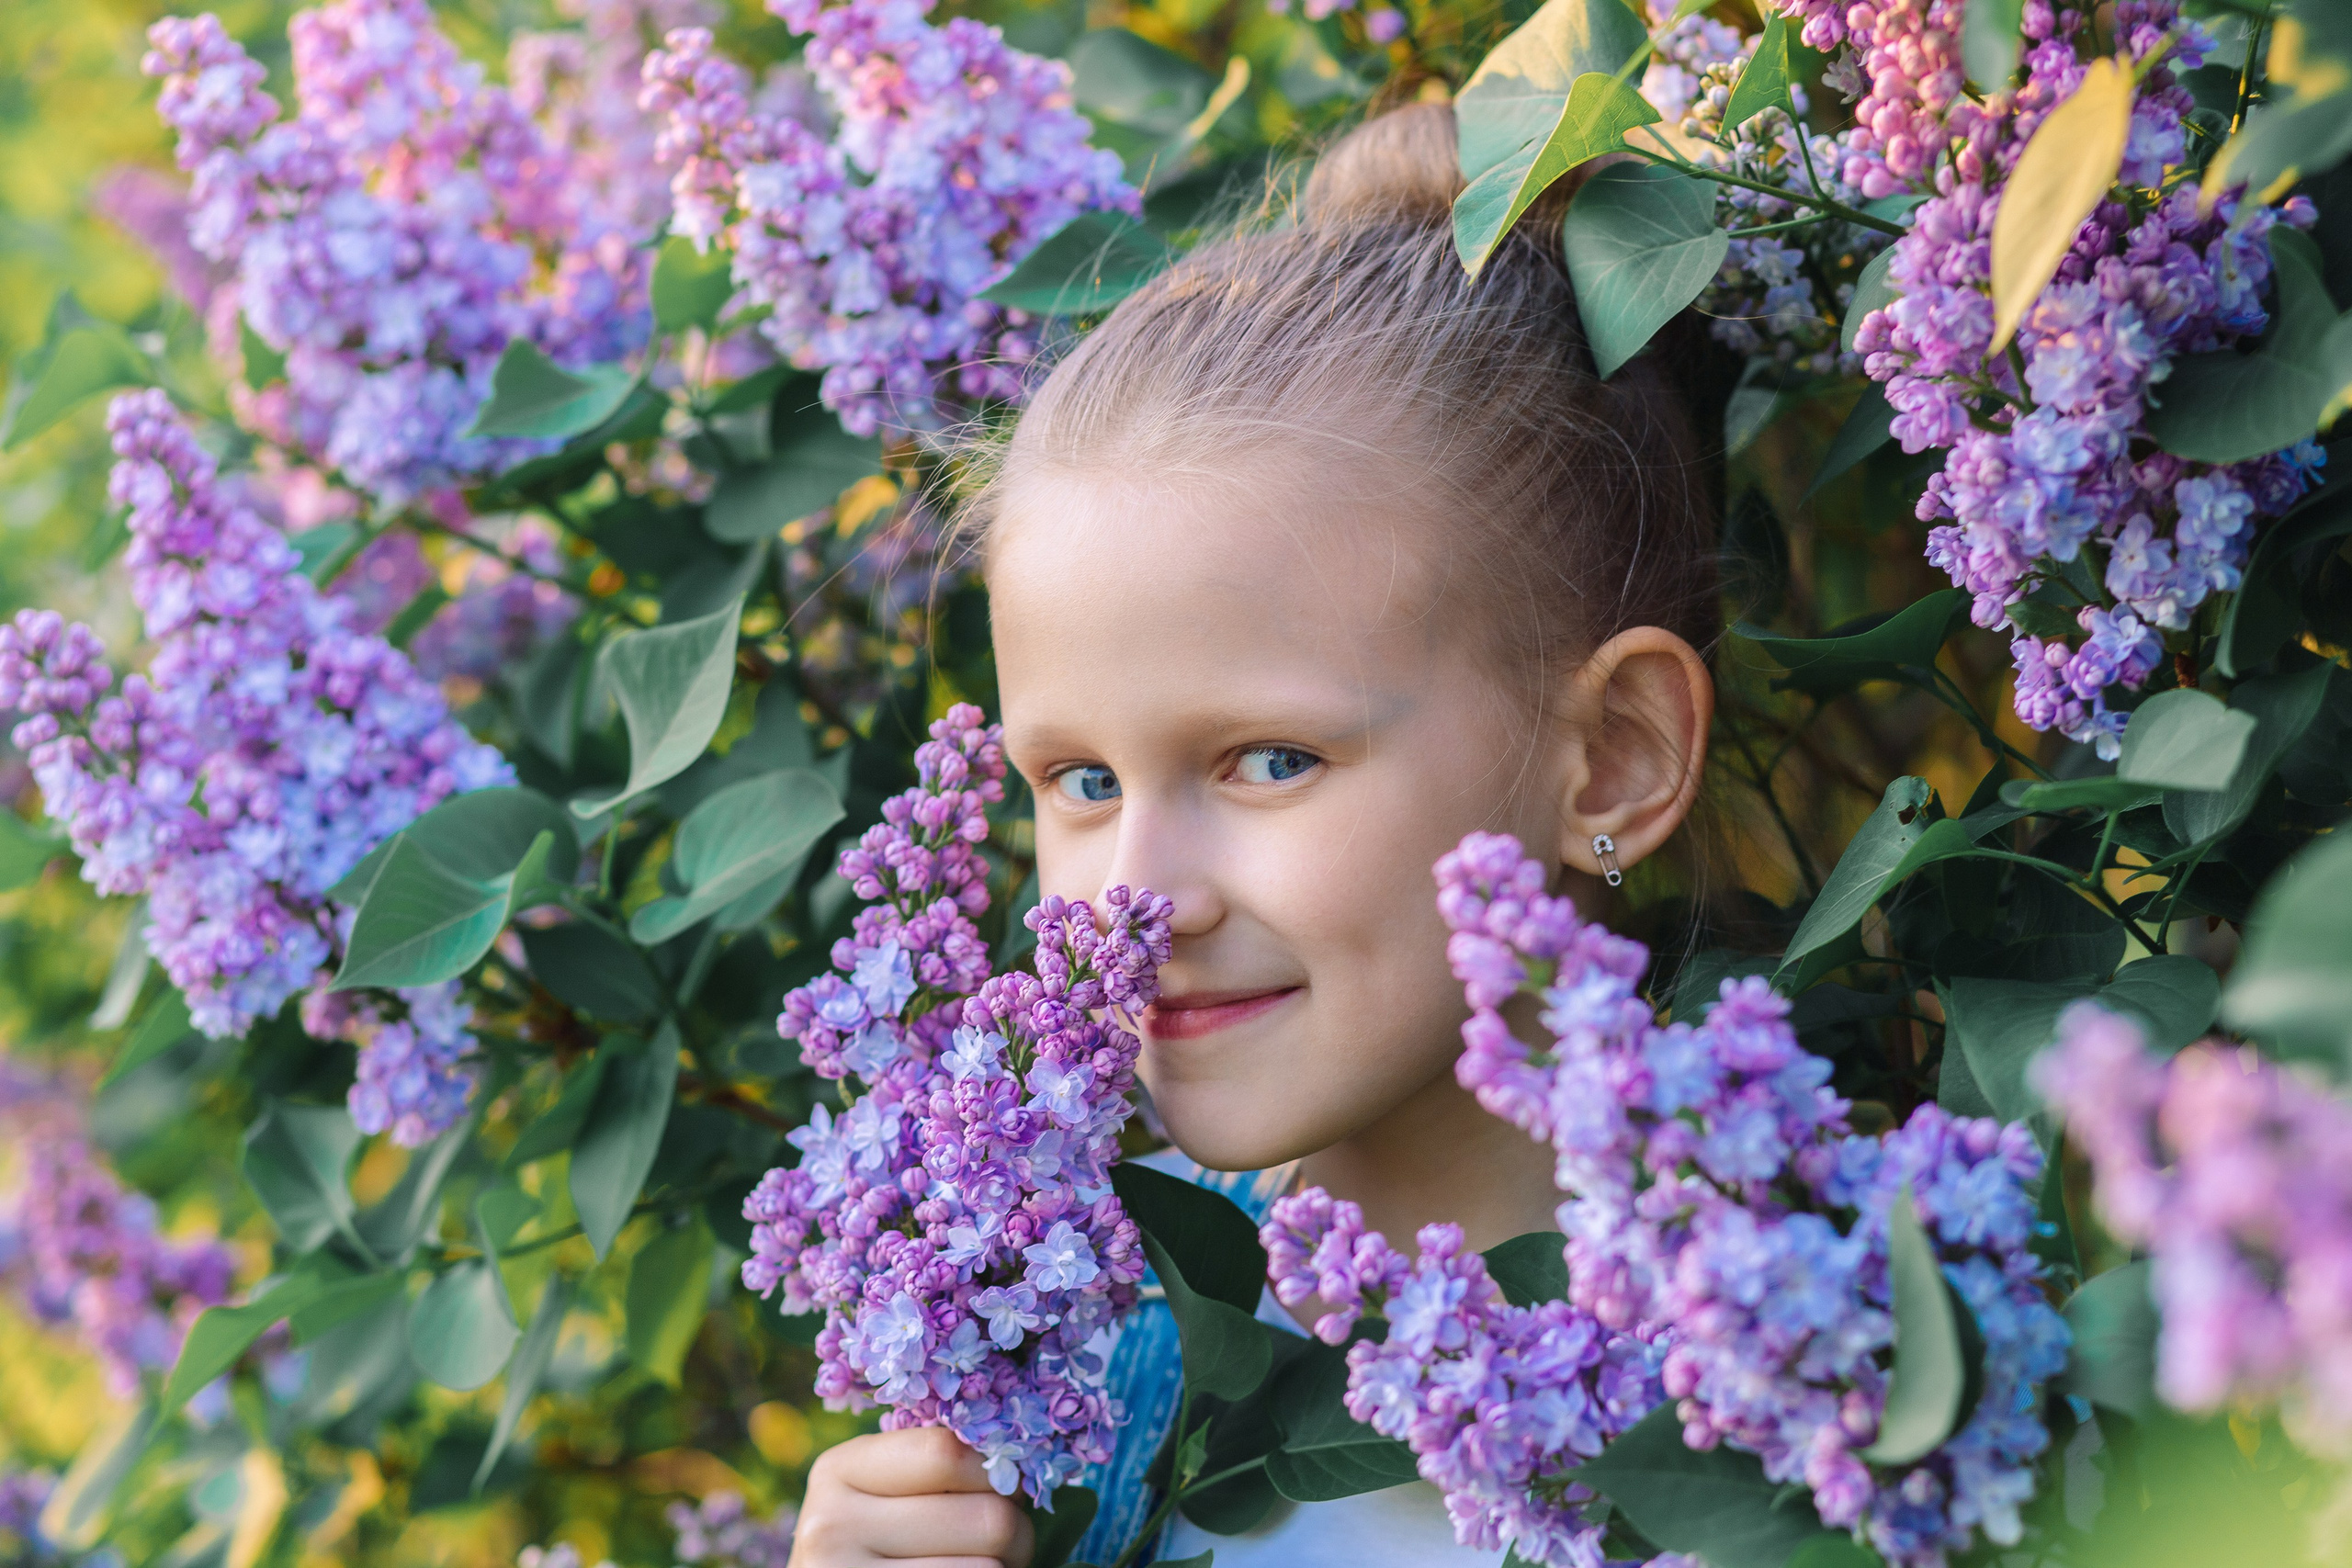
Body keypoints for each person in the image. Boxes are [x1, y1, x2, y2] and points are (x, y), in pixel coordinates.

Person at [784, 99, 1721, 1568]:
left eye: (1270, 761)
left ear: (1611, 759)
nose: (1137, 902)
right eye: (1081, 781)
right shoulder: (1054, 1348)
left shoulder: (1816, 1380)